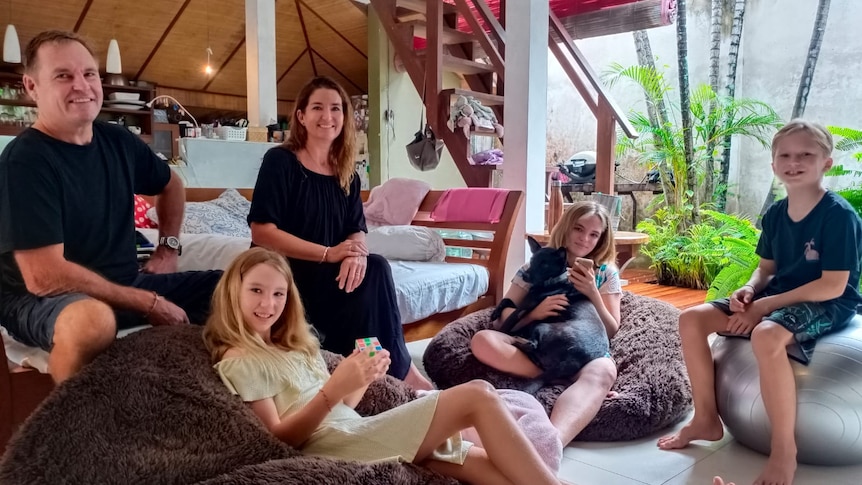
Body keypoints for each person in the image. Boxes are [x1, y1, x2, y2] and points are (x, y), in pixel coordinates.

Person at [203, 247, 564, 485]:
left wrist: (361, 378)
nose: (268, 303)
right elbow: (278, 441)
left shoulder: (297, 345)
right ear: (233, 292)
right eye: (256, 291)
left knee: (479, 463)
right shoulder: (240, 358)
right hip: (335, 449)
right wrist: (332, 391)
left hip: (357, 431)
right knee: (479, 395)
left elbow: (340, 410)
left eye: (278, 293)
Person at [0, 31, 221, 383]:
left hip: (125, 284)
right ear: (31, 86)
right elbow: (44, 277)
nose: (82, 85)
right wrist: (147, 303)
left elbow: (171, 185)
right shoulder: (25, 160)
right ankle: (69, 430)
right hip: (39, 301)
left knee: (237, 289)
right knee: (93, 321)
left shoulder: (117, 141)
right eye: (63, 76)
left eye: (89, 74)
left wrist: (167, 249)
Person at [657, 120, 862, 485]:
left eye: (805, 155)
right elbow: (765, 270)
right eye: (785, 155)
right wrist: (750, 291)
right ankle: (705, 418)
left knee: (767, 336)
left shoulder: (839, 216)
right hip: (778, 293)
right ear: (773, 164)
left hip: (829, 301)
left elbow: (833, 285)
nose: (793, 162)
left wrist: (766, 307)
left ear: (826, 163)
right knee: (692, 319)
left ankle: (785, 451)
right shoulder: (775, 214)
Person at [247, 76, 432, 390]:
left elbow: (356, 229)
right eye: (317, 107)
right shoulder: (280, 162)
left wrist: (355, 255)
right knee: (374, 274)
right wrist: (329, 254)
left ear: (344, 117)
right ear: (301, 116)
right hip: (287, 279)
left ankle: (385, 368)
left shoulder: (347, 172)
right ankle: (399, 374)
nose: (327, 116)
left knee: (373, 268)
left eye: (336, 108)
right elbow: (262, 231)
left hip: (330, 278)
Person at [470, 201, 621, 445]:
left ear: (602, 239)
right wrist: (534, 314)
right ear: (566, 227)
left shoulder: (605, 272)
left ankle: (552, 443)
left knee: (605, 370)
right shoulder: (538, 263)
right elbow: (501, 316)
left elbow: (612, 329)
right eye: (578, 229)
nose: (584, 239)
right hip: (538, 345)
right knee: (482, 340)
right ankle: (562, 377)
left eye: (594, 234)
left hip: (581, 348)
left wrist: (593, 293)